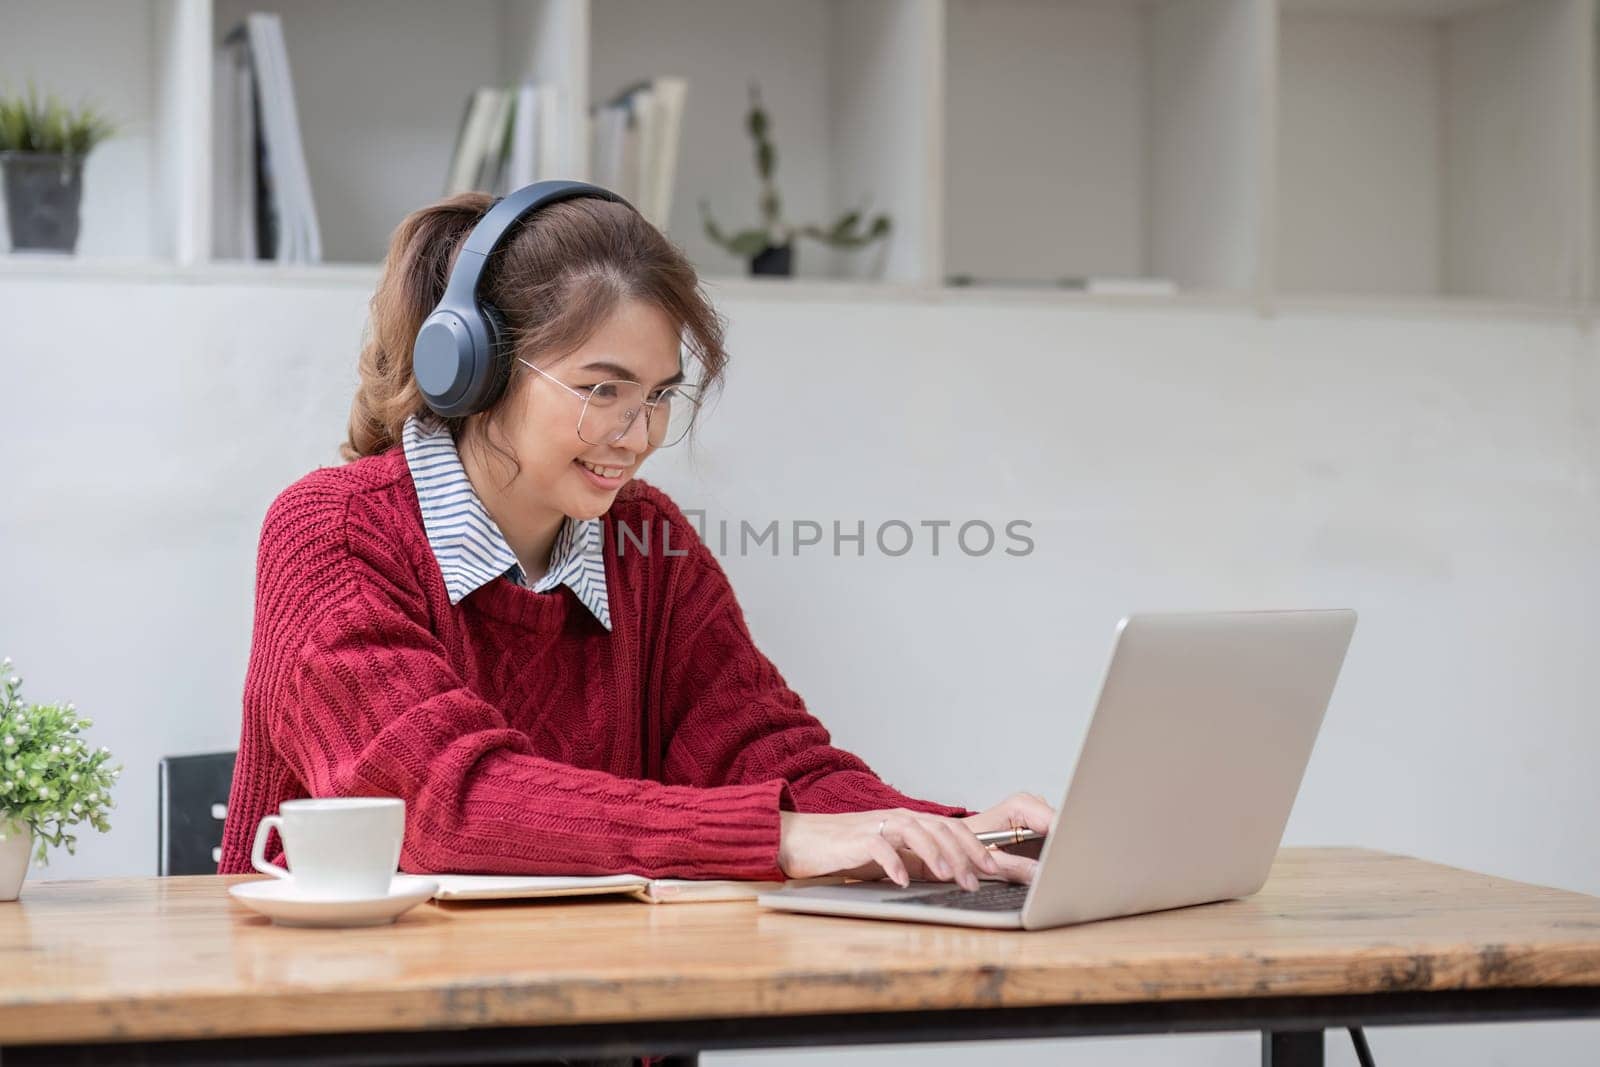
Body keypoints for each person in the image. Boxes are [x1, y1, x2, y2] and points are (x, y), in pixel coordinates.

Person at [217, 186, 1053, 895]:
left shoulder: (647, 541)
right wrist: (778, 839)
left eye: (656, 395)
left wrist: (957, 834)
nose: (636, 433)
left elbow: (764, 753)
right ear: (473, 368)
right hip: (359, 1023)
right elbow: (445, 803)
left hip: (592, 1013)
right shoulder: (331, 533)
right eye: (602, 388)